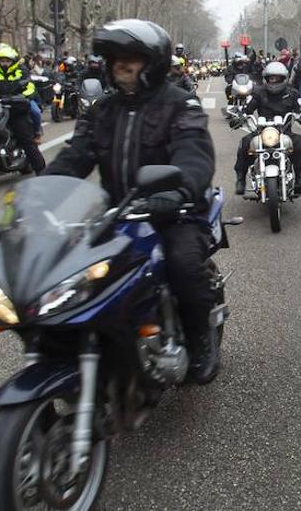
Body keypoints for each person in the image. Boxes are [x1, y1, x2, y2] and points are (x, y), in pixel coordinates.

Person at [45, 19, 219, 384]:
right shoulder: (101, 111)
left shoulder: (180, 104)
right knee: (65, 271)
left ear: (152, 63)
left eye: (131, 58)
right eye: (114, 58)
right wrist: (42, 195)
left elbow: (194, 155)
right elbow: (74, 157)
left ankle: (201, 340)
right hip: (116, 213)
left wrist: (180, 190)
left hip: (174, 212)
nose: (120, 64)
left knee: (184, 265)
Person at [232, 60, 301, 196]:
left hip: (284, 132)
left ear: (283, 79)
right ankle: (240, 180)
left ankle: (299, 180)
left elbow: (300, 107)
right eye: (271, 78)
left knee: (299, 143)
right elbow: (248, 108)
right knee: (244, 144)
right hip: (262, 132)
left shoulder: (292, 93)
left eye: (277, 78)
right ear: (266, 79)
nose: (274, 81)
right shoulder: (258, 92)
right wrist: (239, 116)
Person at [0, 44, 44, 173]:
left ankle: (41, 171)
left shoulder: (22, 71)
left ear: (13, 62)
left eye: (7, 61)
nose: (4, 64)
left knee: (26, 140)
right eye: (2, 61)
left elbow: (30, 87)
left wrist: (22, 96)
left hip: (16, 110)